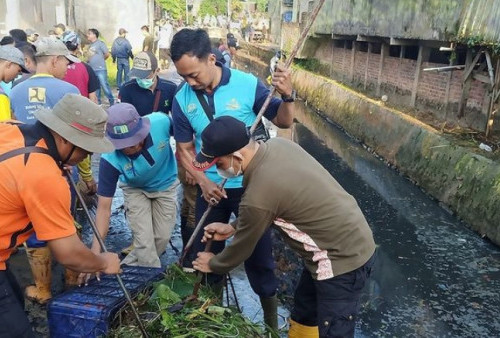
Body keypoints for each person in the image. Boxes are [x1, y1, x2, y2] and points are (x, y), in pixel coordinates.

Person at [192, 116, 377, 338]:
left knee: (335, 329)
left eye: (219, 164)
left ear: (237, 156)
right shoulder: (279, 145)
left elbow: (241, 248)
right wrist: (232, 228)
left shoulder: (259, 193)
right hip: (347, 235)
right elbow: (273, 205)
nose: (218, 170)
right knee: (305, 310)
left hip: (340, 260)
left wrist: (213, 263)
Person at [170, 28, 295, 331]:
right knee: (206, 251)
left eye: (194, 75)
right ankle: (211, 319)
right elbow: (185, 151)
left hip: (252, 187)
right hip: (211, 190)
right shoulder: (181, 100)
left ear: (211, 58)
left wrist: (288, 94)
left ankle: (270, 327)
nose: (190, 83)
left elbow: (284, 120)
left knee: (260, 259)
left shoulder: (247, 84)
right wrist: (203, 182)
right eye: (183, 77)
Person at [0, 93, 121, 337]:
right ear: (66, 140)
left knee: (12, 295)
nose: (86, 158)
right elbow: (68, 254)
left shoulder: (11, 128)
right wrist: (103, 262)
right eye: (85, 151)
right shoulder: (43, 176)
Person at [87, 103, 178, 270]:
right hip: (136, 190)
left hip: (166, 185)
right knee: (144, 242)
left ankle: (127, 266)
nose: (131, 148)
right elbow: (104, 208)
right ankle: (150, 283)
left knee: (161, 238)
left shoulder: (161, 122)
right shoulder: (110, 159)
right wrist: (95, 252)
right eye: (123, 145)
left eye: (134, 141)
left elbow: (187, 138)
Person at [10, 37, 80, 123]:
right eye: (66, 64)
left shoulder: (15, 91)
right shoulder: (70, 91)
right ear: (55, 60)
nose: (67, 68)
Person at [118, 51, 177, 116]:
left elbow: (177, 118)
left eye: (145, 75)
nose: (141, 78)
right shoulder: (127, 89)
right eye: (138, 75)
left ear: (157, 71)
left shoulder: (171, 89)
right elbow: (123, 117)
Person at [62, 31, 100, 104]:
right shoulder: (87, 68)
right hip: (82, 111)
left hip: (61, 111)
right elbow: (93, 98)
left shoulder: (54, 67)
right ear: (78, 46)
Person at [0, 45, 29, 121]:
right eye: (18, 71)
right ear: (8, 64)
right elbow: (4, 129)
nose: (17, 76)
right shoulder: (1, 97)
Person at [86, 28, 114, 106]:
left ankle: (111, 100)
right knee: (96, 86)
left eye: (89, 33)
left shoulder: (100, 43)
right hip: (92, 69)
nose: (87, 35)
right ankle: (98, 102)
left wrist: (101, 60)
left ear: (94, 35)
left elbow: (107, 54)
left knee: (104, 85)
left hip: (100, 69)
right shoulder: (90, 46)